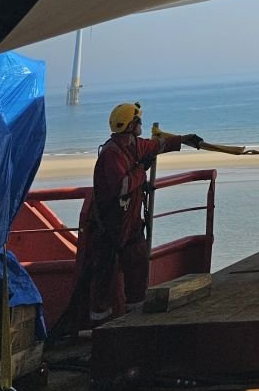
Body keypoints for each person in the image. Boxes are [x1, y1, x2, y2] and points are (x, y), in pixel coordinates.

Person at [84, 101, 202, 325]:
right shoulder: (112, 154)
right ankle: (100, 326)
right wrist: (141, 170)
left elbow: (157, 145)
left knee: (137, 270)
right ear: (130, 125)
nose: (141, 125)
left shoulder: (133, 145)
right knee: (104, 280)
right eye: (138, 121)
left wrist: (185, 139)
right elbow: (122, 186)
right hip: (110, 228)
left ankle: (136, 320)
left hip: (129, 226)